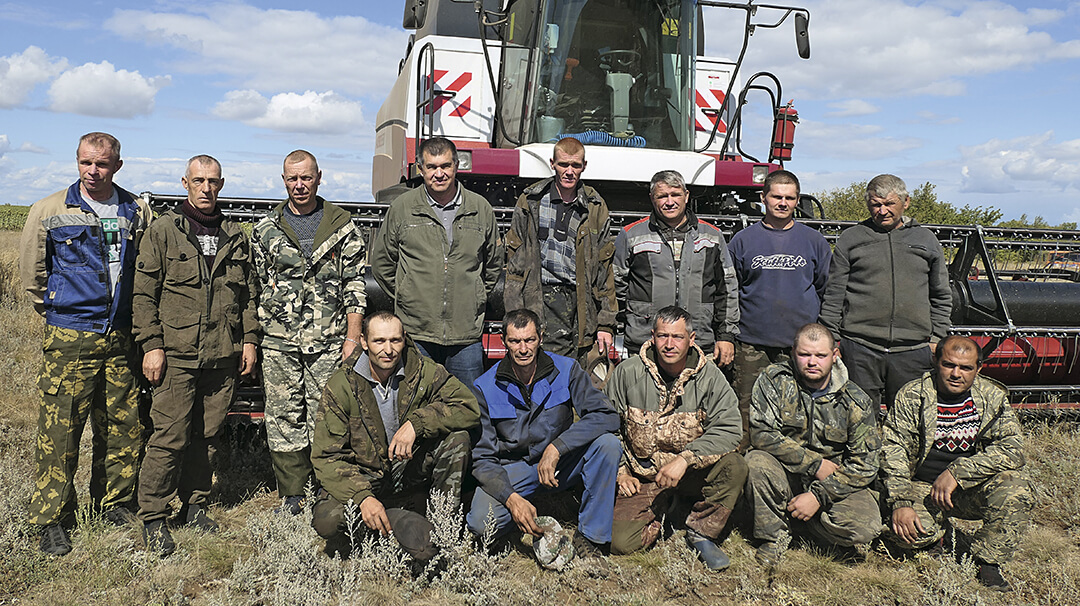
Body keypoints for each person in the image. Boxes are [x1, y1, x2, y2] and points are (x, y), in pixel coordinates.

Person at [19, 132, 153, 555]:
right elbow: (32, 276)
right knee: (60, 431)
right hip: (71, 336)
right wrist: (63, 314)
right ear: (77, 162)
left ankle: (112, 502)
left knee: (122, 426)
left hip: (122, 335)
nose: (93, 172)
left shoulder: (136, 210)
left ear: (117, 164)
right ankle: (52, 518)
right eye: (85, 163)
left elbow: (145, 270)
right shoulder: (50, 210)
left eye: (102, 164)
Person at [131, 155, 259, 555]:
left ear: (221, 184)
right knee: (169, 435)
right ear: (185, 182)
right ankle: (153, 515)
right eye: (199, 180)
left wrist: (250, 340)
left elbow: (249, 296)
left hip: (222, 355)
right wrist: (152, 344)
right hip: (176, 354)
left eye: (213, 181)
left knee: (206, 436)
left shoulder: (235, 235)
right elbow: (143, 294)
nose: (206, 188)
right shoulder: (164, 232)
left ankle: (195, 505)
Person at [251, 150, 367, 515]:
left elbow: (355, 286)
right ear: (283, 180)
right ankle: (292, 492)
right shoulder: (265, 229)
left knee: (327, 415)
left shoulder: (341, 226)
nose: (299, 185)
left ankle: (326, 486)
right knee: (284, 414)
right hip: (279, 341)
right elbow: (256, 284)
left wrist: (352, 337)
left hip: (329, 341)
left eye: (306, 177)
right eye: (292, 178)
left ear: (319, 177)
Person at [310, 311, 479, 560]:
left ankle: (442, 527)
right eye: (379, 341)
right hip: (365, 476)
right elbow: (327, 457)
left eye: (395, 340)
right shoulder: (342, 385)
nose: (388, 350)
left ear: (404, 339)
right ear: (364, 342)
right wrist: (363, 497)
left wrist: (417, 424)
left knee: (458, 440)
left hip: (409, 468)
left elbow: (468, 407)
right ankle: (392, 519)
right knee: (327, 521)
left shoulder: (422, 371)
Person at [466, 309, 621, 563]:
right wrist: (511, 499)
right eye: (515, 341)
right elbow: (483, 459)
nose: (523, 348)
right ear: (504, 341)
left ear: (540, 337)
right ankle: (517, 518)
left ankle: (591, 537)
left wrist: (558, 447)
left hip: (561, 463)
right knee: (481, 525)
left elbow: (606, 415)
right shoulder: (484, 386)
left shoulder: (567, 369)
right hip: (515, 469)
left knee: (608, 444)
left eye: (529, 340)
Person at [882, 335, 1031, 591]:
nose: (956, 373)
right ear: (935, 362)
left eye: (966, 368)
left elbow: (1013, 449)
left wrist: (958, 472)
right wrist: (900, 502)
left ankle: (987, 561)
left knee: (1016, 488)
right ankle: (937, 537)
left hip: (967, 488)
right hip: (921, 487)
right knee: (903, 533)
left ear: (978, 369)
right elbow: (893, 449)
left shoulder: (992, 397)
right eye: (949, 364)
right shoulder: (912, 395)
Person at [605, 306, 746, 570]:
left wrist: (685, 460)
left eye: (678, 337)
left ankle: (701, 532)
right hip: (644, 476)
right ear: (652, 336)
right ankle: (666, 510)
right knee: (620, 543)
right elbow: (607, 427)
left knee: (735, 466)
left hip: (692, 474)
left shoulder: (711, 377)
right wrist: (621, 472)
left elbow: (729, 429)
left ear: (691, 339)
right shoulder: (627, 373)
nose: (669, 345)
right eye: (663, 336)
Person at [370, 137, 503, 387]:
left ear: (456, 166)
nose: (439, 174)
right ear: (421, 169)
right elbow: (382, 263)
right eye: (431, 167)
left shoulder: (480, 208)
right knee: (417, 405)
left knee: (469, 406)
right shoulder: (402, 208)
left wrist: (474, 297)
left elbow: (493, 264)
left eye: (445, 166)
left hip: (465, 334)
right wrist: (408, 295)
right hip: (417, 332)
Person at [746, 323, 881, 568]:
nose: (812, 362)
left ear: (834, 355)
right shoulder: (774, 381)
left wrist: (820, 495)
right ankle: (773, 538)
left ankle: (808, 526)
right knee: (756, 462)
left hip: (834, 482)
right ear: (792, 352)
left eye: (820, 355)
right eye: (804, 354)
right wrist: (813, 464)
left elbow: (865, 465)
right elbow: (761, 434)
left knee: (864, 529)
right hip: (786, 473)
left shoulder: (855, 400)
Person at [818, 174, 952, 420]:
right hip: (860, 346)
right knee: (858, 419)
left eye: (889, 203)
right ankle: (863, 459)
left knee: (910, 420)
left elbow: (941, 293)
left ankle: (903, 460)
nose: (882, 211)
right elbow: (834, 292)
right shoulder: (852, 238)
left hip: (913, 348)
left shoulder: (925, 240)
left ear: (906, 202)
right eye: (875, 204)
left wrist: (937, 338)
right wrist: (832, 338)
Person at [729, 170, 831, 450]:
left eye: (790, 198)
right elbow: (731, 288)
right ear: (764, 198)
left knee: (799, 413)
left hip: (799, 346)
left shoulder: (814, 241)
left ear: (798, 201)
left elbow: (825, 287)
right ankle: (746, 472)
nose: (783, 203)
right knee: (747, 413)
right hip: (751, 343)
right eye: (777, 196)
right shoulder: (742, 240)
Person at [504, 137, 616, 360]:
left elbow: (605, 269)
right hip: (539, 298)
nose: (569, 171)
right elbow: (514, 266)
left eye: (575, 165)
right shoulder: (531, 201)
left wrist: (606, 323)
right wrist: (515, 313)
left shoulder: (595, 206)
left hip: (580, 304)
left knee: (575, 376)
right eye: (564, 164)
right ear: (552, 163)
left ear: (584, 166)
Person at [613, 170, 739, 362]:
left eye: (675, 195)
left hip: (698, 341)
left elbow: (727, 289)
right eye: (662, 196)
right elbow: (615, 287)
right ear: (652, 199)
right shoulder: (630, 235)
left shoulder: (712, 236)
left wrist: (726, 336)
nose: (669, 202)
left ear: (686, 196)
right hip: (645, 342)